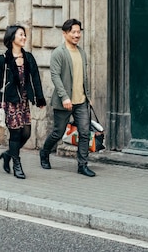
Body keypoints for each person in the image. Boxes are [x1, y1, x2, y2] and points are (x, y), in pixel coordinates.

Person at [0, 25, 46, 179]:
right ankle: (17, 165)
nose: (24, 37)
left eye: (24, 35)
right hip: (11, 101)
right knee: (16, 134)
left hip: (24, 101)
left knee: (26, 132)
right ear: (12, 38)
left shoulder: (29, 58)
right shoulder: (2, 60)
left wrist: (39, 98)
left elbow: (36, 79)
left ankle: (8, 154)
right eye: (21, 35)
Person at [39, 19, 96, 177]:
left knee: (84, 133)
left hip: (81, 101)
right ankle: (44, 153)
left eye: (79, 32)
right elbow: (55, 76)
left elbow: (84, 77)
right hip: (65, 102)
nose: (77, 35)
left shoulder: (82, 52)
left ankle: (82, 165)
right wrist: (64, 97)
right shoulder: (59, 52)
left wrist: (88, 96)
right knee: (58, 132)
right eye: (74, 32)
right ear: (65, 34)